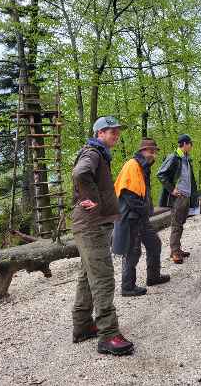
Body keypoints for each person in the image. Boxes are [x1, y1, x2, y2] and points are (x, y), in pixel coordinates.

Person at [71, 116, 134, 356]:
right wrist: (94, 199)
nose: (116, 135)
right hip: (91, 225)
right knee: (104, 277)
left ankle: (83, 325)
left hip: (90, 224)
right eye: (111, 132)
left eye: (117, 131)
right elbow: (80, 173)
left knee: (88, 275)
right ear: (100, 134)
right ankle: (108, 335)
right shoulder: (94, 153)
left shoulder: (99, 153)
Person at [113, 138, 170, 297]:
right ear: (142, 151)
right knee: (133, 251)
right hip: (131, 217)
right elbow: (129, 195)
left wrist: (146, 211)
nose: (153, 154)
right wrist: (145, 210)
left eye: (154, 152)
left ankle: (153, 277)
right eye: (151, 151)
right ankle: (127, 287)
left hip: (140, 217)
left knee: (154, 243)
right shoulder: (133, 165)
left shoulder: (143, 166)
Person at [157, 134, 198, 264]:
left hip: (186, 195)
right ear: (185, 144)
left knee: (180, 223)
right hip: (178, 197)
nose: (191, 146)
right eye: (190, 143)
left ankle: (177, 249)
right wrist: (172, 189)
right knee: (176, 224)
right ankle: (174, 252)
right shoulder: (174, 157)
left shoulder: (186, 158)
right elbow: (161, 174)